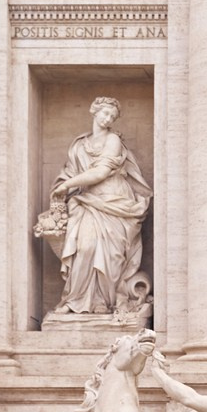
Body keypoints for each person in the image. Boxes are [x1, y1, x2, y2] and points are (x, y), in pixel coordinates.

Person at [51, 97, 152, 316]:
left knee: (111, 254)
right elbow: (69, 172)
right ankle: (76, 299)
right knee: (85, 247)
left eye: (112, 117)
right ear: (93, 111)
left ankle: (104, 302)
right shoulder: (78, 145)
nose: (108, 119)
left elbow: (101, 172)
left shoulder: (113, 140)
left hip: (114, 200)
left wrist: (68, 185)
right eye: (105, 113)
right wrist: (64, 187)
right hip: (88, 201)